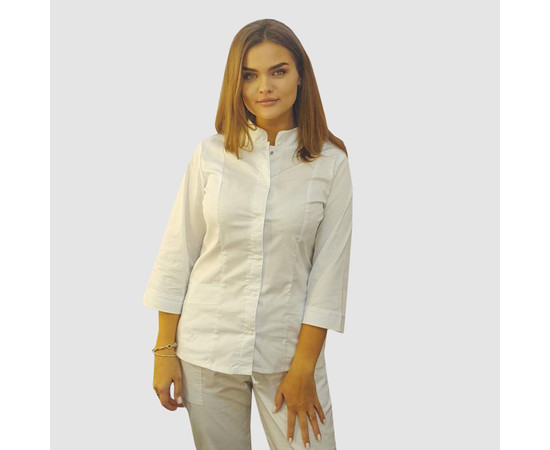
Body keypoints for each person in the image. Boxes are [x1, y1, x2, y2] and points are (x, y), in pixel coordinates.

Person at [142, 18, 353, 450]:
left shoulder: (330, 163)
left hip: (288, 354)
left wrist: (304, 368)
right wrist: (164, 351)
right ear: (235, 83)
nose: (265, 87)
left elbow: (329, 275)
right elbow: (178, 253)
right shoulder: (211, 154)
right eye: (250, 75)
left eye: (278, 71)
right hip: (206, 349)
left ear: (301, 76)